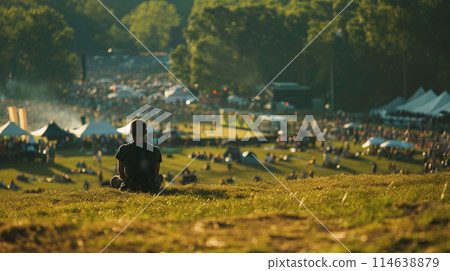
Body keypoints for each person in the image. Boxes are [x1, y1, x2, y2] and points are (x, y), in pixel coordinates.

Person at [112, 119, 162, 193]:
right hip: (150, 187)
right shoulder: (156, 150)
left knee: (114, 180)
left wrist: (128, 180)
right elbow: (156, 173)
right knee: (160, 177)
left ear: (131, 132)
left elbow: (121, 174)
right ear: (145, 132)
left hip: (130, 187)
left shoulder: (123, 149)